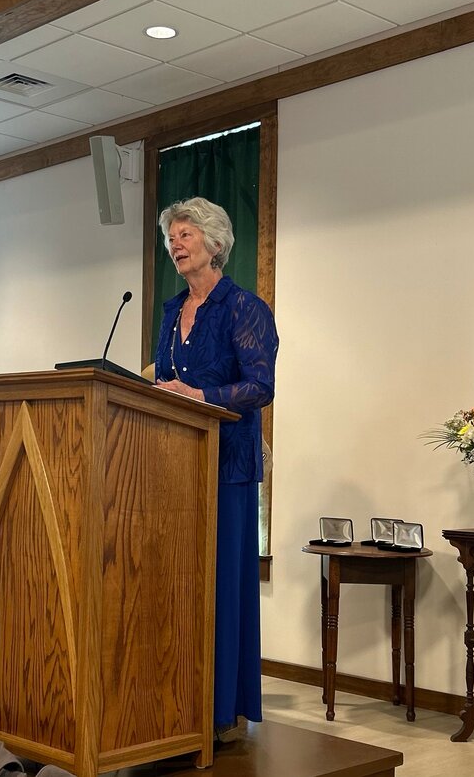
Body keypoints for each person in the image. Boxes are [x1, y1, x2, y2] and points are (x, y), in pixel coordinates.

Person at [154, 197, 279, 731]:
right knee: (178, 582)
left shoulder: (243, 308)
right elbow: (162, 382)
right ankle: (176, 697)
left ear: (214, 243)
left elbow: (260, 386)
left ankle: (221, 707)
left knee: (222, 583)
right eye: (171, 238)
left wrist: (200, 396)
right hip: (174, 468)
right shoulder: (168, 310)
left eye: (184, 235)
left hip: (226, 468)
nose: (175, 245)